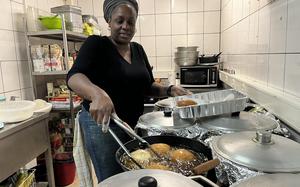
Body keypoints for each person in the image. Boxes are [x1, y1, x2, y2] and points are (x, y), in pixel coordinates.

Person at [67, 0, 191, 182]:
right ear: (109, 21)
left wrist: (170, 89)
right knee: (113, 179)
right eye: (120, 21)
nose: (125, 26)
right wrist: (97, 94)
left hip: (133, 125)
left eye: (131, 22)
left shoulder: (138, 49)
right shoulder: (96, 44)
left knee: (134, 175)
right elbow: (73, 77)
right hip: (103, 126)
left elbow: (147, 86)